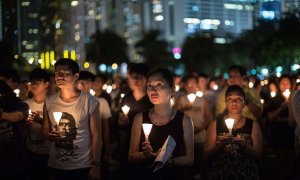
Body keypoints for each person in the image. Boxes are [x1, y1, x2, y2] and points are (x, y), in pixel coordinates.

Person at [128, 68, 194, 180]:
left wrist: (170, 161)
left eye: (159, 84)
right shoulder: (140, 118)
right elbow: (131, 156)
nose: (153, 90)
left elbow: (189, 158)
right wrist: (144, 155)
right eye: (149, 86)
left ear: (172, 90)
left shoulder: (184, 120)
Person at [41, 58, 102, 180]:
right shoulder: (49, 101)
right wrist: (50, 136)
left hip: (82, 165)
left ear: (76, 76)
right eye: (57, 73)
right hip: (56, 165)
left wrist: (95, 165)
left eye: (65, 73)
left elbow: (97, 136)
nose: (60, 76)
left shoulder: (89, 101)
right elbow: (44, 131)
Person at [205, 85, 262, 180]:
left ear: (244, 103)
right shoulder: (215, 124)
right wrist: (220, 145)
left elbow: (258, 154)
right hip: (221, 173)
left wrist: (244, 145)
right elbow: (207, 153)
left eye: (239, 99)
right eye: (230, 99)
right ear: (226, 103)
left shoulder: (253, 125)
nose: (234, 102)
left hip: (246, 173)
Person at [116, 63, 153, 179]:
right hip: (128, 142)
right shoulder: (126, 98)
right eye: (134, 77)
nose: (137, 80)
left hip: (148, 143)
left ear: (147, 79)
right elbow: (119, 121)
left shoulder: (151, 98)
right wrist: (121, 123)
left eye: (140, 77)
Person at [175, 75, 212, 179]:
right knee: (185, 166)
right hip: (184, 137)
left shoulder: (203, 101)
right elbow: (174, 115)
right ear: (185, 86)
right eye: (189, 84)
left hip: (199, 137)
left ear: (197, 86)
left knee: (201, 163)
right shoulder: (181, 100)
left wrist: (200, 127)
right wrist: (183, 108)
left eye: (193, 84)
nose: (191, 86)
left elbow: (209, 118)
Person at [77, 70, 112, 179]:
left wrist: (107, 151)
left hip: (96, 148)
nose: (83, 85)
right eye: (80, 82)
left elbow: (106, 129)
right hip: (78, 149)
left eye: (86, 82)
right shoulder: (71, 103)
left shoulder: (101, 102)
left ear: (91, 84)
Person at [0, 67, 29, 179]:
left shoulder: (18, 104)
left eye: (3, 81)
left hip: (15, 163)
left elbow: (19, 115)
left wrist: (3, 115)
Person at [266, 75, 295, 180]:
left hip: (291, 132)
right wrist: (283, 106)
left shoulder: (295, 97)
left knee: (291, 159)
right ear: (279, 85)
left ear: (291, 85)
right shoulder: (274, 100)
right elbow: (270, 117)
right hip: (278, 132)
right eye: (282, 83)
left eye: (287, 83)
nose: (285, 85)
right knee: (280, 160)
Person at [24, 68, 51, 180]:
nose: (34, 85)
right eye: (32, 82)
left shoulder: (52, 104)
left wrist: (39, 120)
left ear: (46, 84)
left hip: (49, 152)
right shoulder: (26, 104)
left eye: (37, 82)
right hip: (30, 151)